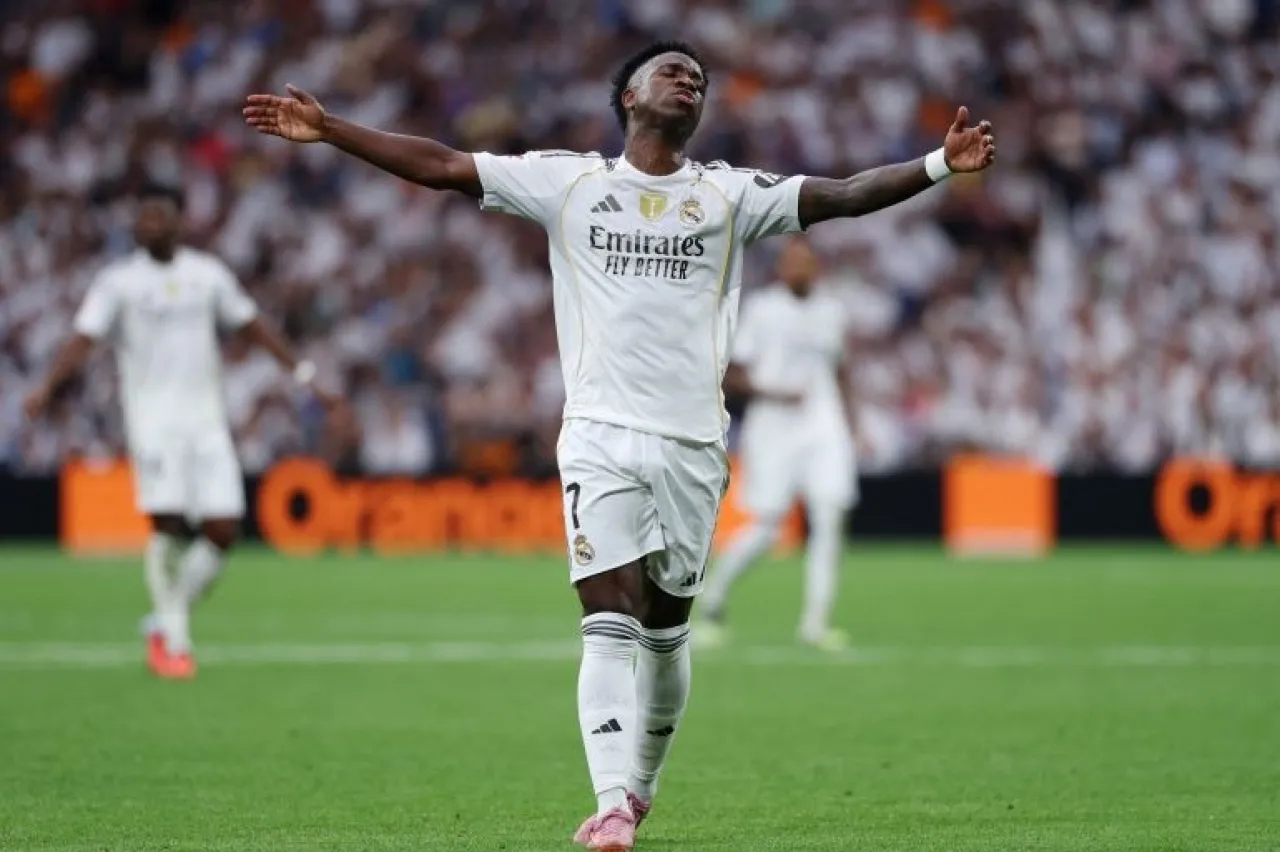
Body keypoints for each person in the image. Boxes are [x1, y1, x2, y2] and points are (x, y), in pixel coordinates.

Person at [243, 39, 995, 851]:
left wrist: (937, 166)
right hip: (598, 436)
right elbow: (446, 166)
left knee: (667, 633)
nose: (689, 81)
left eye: (698, 79)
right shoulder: (569, 183)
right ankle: (609, 805)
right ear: (629, 97)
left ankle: (640, 787)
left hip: (693, 446)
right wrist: (333, 129)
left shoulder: (730, 195)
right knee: (608, 617)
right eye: (671, 71)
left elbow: (843, 194)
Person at [24, 182, 339, 680]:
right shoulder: (119, 282)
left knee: (224, 530)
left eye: (159, 216)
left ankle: (165, 617)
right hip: (153, 423)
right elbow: (83, 339)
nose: (149, 224)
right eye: (143, 217)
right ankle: (175, 641)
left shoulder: (206, 275)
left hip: (207, 422)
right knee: (167, 522)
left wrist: (304, 375)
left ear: (178, 222)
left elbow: (254, 326)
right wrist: (46, 388)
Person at [696, 235, 860, 651]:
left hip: (824, 426)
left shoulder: (832, 311)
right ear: (781, 269)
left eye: (805, 262)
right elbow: (734, 374)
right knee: (767, 530)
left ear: (815, 267)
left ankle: (816, 623)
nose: (798, 269)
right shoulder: (763, 309)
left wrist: (853, 423)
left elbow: (841, 369)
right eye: (791, 262)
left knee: (830, 518)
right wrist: (776, 393)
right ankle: (714, 596)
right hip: (773, 429)